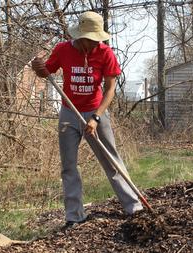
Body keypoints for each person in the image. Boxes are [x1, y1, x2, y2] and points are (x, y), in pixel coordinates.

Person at [31, 11, 143, 227]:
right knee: (69, 166)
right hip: (68, 113)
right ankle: (74, 216)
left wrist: (96, 118)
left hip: (95, 111)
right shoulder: (63, 49)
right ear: (79, 35)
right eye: (88, 40)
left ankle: (133, 206)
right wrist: (38, 69)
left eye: (96, 41)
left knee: (111, 160)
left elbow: (110, 90)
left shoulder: (105, 53)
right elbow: (47, 72)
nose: (92, 45)